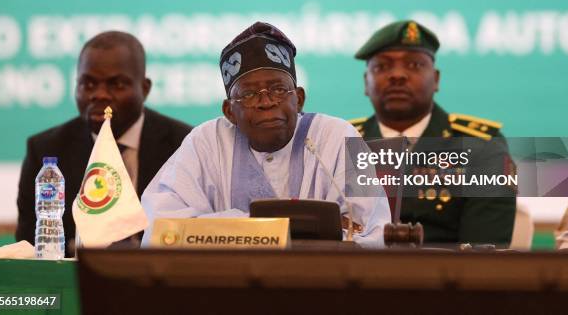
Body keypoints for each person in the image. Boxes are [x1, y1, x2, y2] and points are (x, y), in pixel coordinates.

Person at [141, 22, 390, 246]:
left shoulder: (340, 137)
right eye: (249, 94)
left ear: (299, 99)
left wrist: (226, 228)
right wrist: (268, 229)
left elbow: (372, 232)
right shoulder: (206, 141)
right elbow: (162, 228)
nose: (266, 102)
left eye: (278, 89)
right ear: (229, 111)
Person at [16, 31, 192, 255]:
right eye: (88, 84)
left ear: (144, 88)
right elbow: (28, 247)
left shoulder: (183, 144)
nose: (99, 95)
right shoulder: (46, 150)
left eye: (116, 85)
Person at [351, 20, 516, 246]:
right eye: (382, 67)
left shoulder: (482, 146)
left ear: (436, 79)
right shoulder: (343, 142)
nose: (397, 75)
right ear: (365, 83)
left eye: (414, 65)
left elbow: (484, 250)